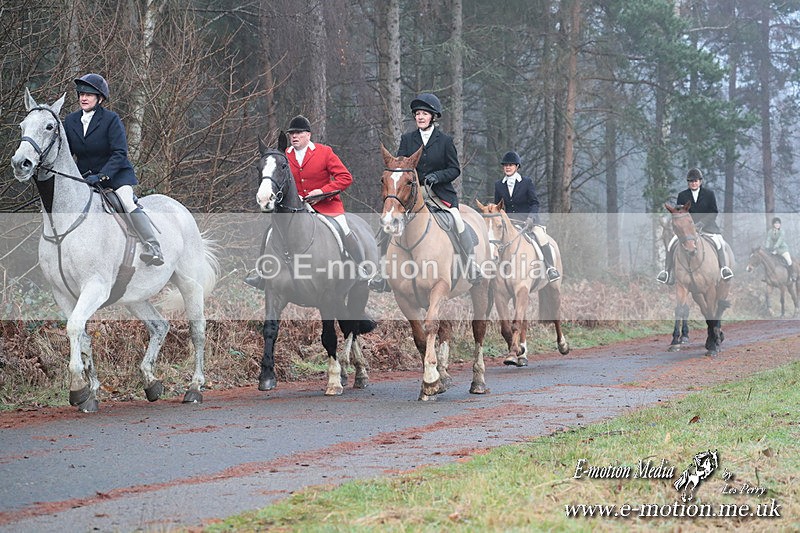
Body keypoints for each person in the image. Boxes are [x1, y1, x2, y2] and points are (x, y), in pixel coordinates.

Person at [368, 92, 479, 292]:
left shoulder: (445, 141)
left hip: (439, 195)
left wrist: (438, 176)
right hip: (411, 195)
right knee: (389, 224)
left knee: (457, 221)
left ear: (433, 116)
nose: (420, 117)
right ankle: (382, 272)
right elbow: (400, 166)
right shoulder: (407, 139)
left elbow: (455, 169)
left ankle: (471, 266)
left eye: (424, 114)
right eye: (417, 113)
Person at [245, 115, 368, 289]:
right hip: (295, 209)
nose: (294, 136)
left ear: (308, 135)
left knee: (344, 228)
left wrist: (323, 192)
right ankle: (262, 276)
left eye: (298, 133)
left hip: (325, 206)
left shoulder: (324, 152)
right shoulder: (283, 156)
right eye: (291, 133)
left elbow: (345, 177)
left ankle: (363, 269)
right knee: (270, 232)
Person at [64, 73, 164, 266]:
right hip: (85, 179)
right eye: (81, 93)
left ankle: (153, 247)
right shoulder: (71, 121)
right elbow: (67, 154)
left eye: (89, 94)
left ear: (99, 98)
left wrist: (101, 176)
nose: (83, 98)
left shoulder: (111, 119)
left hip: (115, 176)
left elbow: (119, 153)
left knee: (126, 202)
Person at [657, 168, 733, 284]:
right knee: (671, 244)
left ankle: (723, 268)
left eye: (696, 181)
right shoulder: (682, 195)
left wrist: (702, 223)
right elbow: (679, 211)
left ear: (700, 181)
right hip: (687, 229)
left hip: (708, 227)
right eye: (691, 181)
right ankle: (667, 272)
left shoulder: (709, 194)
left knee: (719, 242)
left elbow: (713, 211)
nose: (694, 183)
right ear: (688, 182)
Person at [494, 151, 560, 283]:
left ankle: (550, 268)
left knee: (541, 237)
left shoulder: (526, 182)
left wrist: (531, 218)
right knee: (494, 241)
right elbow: (498, 207)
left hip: (528, 223)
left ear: (517, 166)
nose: (507, 167)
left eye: (511, 165)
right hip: (510, 224)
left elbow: (535, 203)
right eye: (505, 165)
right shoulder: (499, 185)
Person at [765, 217, 796, 281]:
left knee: (789, 261)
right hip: (775, 250)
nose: (777, 224)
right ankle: (767, 277)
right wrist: (767, 247)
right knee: (768, 261)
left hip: (783, 250)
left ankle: (792, 275)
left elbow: (780, 240)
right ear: (773, 224)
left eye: (778, 223)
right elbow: (768, 239)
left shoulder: (782, 231)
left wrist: (776, 246)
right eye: (776, 223)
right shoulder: (770, 232)